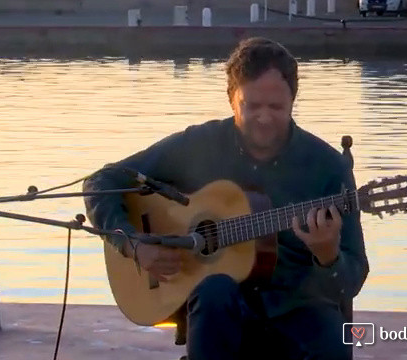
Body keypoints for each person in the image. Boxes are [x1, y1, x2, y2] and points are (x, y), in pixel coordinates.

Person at [82, 37, 369, 360]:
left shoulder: (327, 166)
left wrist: (328, 256)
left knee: (333, 346)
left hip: (299, 306)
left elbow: (353, 277)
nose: (263, 117)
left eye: (276, 107)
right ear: (232, 99)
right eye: (251, 105)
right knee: (214, 289)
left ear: (293, 101)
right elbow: (101, 183)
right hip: (222, 310)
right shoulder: (200, 145)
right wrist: (133, 244)